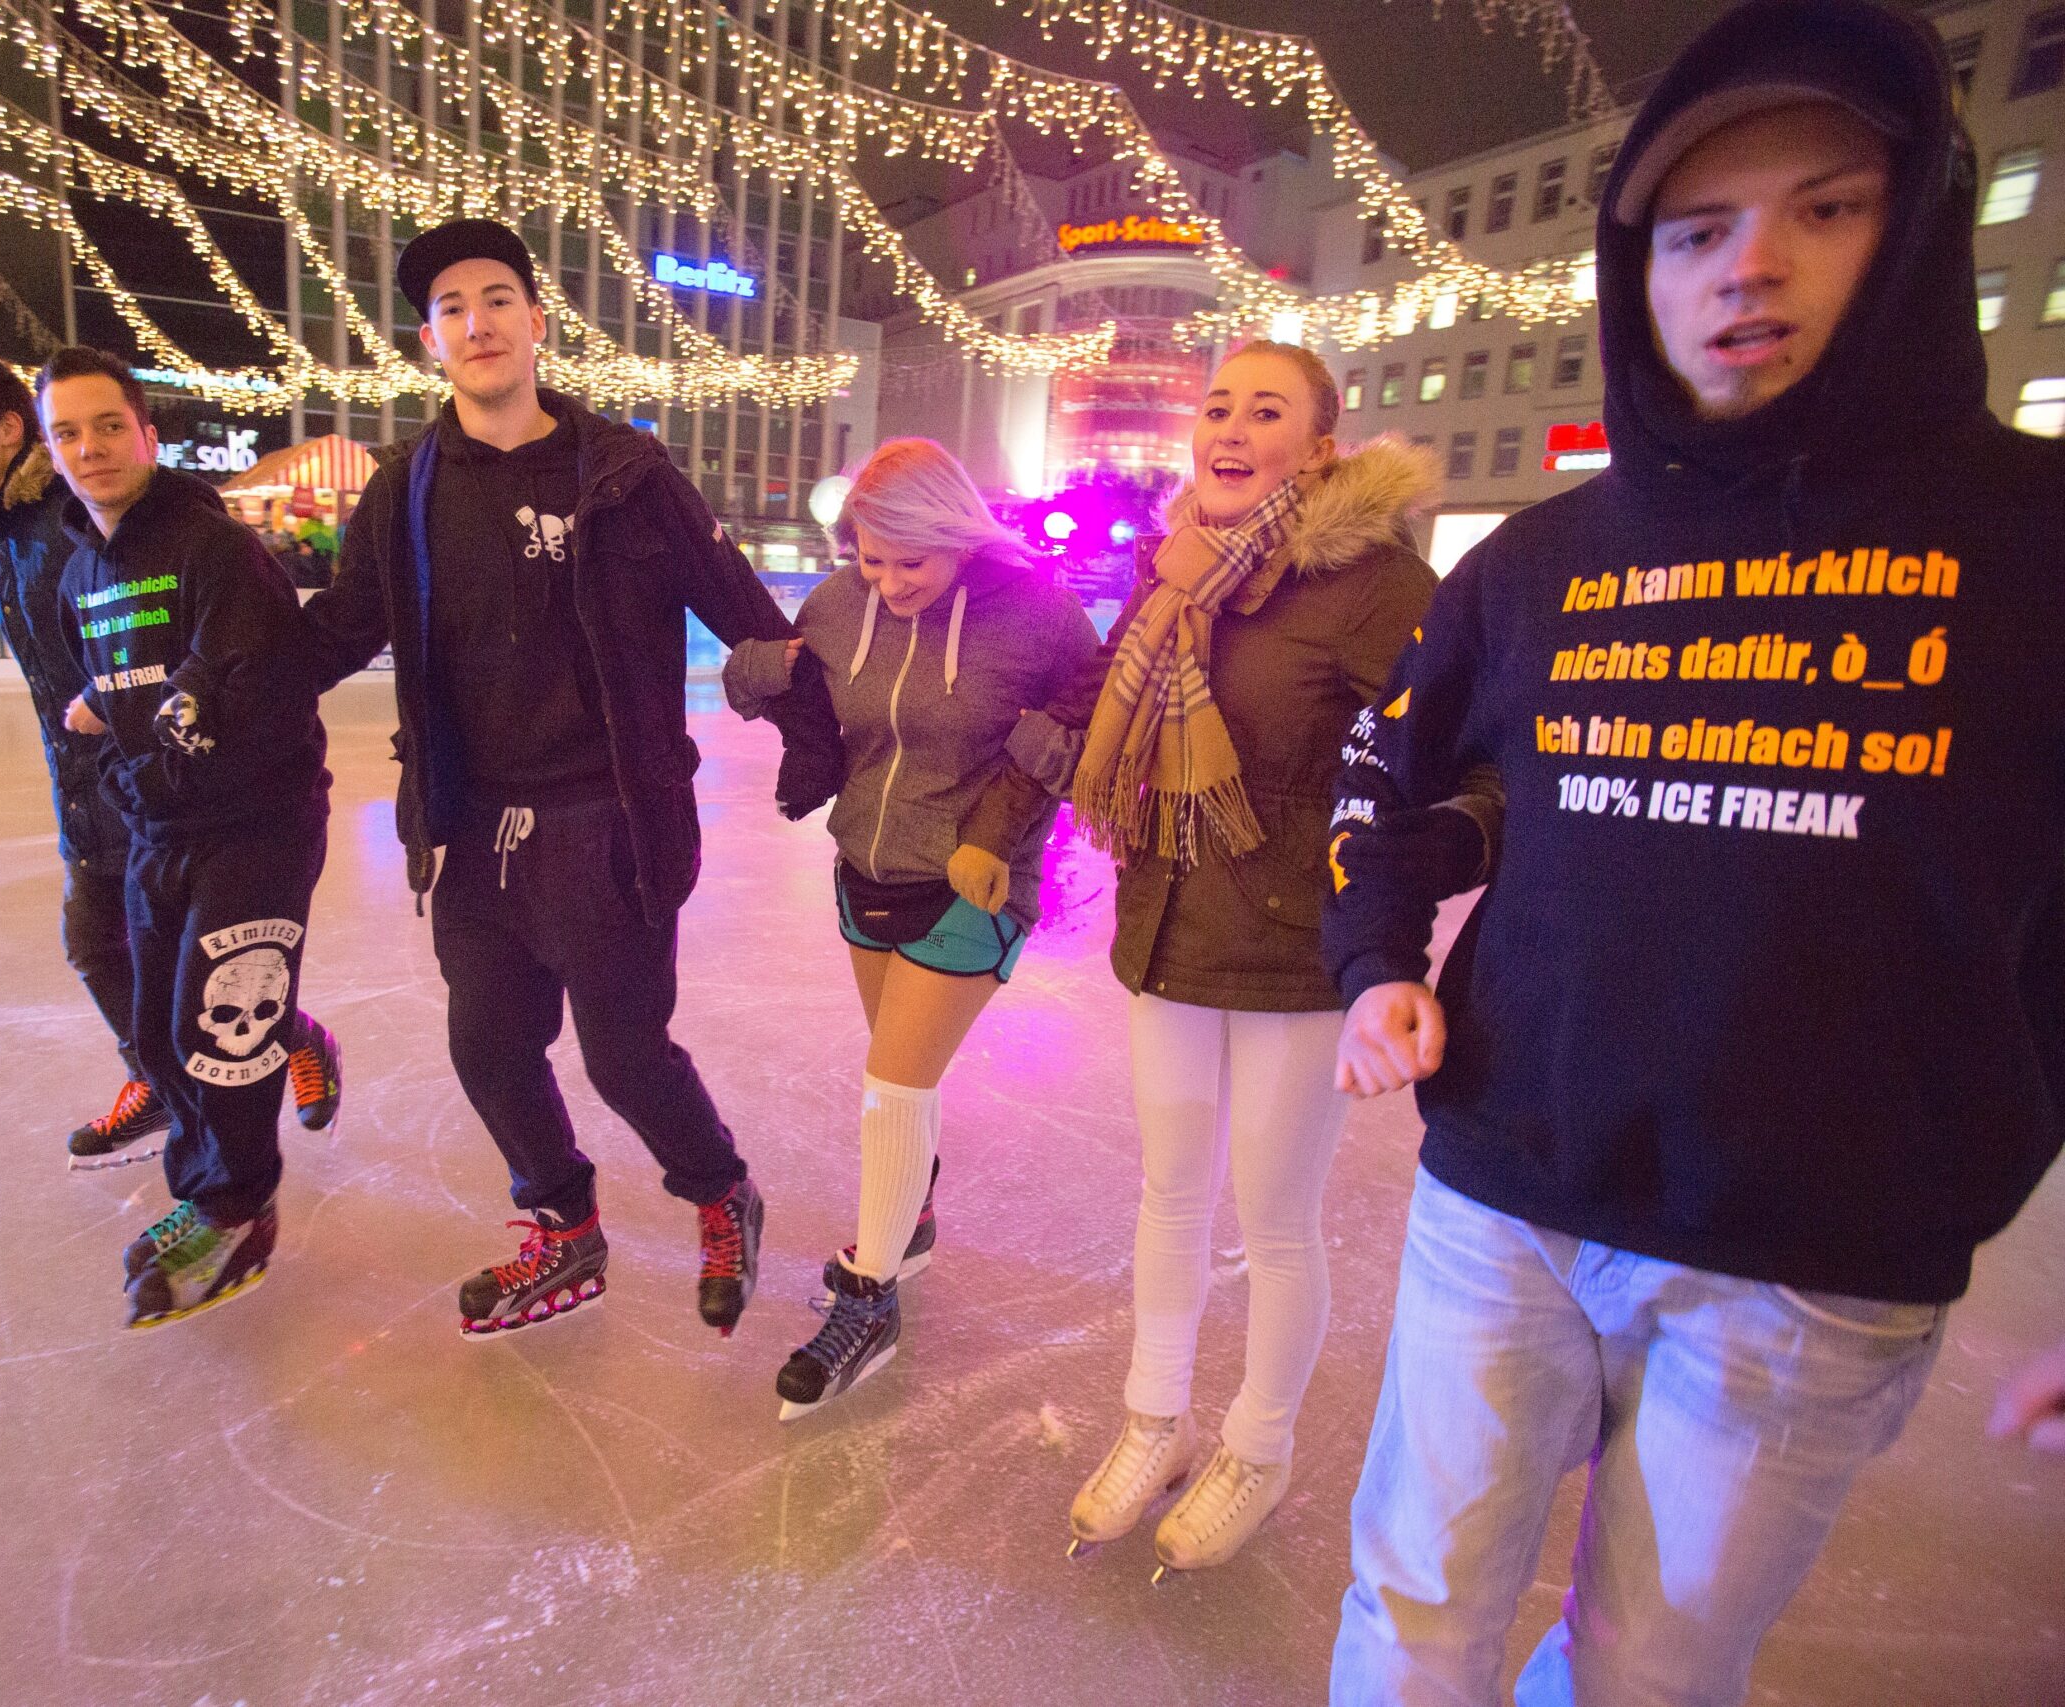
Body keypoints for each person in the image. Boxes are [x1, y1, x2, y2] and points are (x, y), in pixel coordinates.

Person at [1321, 3, 2065, 1699]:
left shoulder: (2033, 545)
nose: (1751, 267)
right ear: (1637, 266)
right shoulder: (1541, 559)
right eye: (1701, 229)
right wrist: (1375, 964)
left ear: (1920, 225)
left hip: (1814, 1257)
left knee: (1653, 1668)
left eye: (1824, 207)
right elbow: (1384, 770)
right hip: (1508, 1192)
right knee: (1416, 1604)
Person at [302, 217, 841, 1341]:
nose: (477, 321)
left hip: (608, 820)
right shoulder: (407, 486)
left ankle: (716, 1189)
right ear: (429, 342)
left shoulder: (624, 474)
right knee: (487, 1048)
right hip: (471, 824)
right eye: (451, 308)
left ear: (536, 323)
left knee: (624, 1054)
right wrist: (216, 688)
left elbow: (736, 607)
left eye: (496, 298)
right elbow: (340, 628)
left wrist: (815, 734)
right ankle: (563, 1226)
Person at [1004, 342, 1482, 1578]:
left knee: (1275, 1221)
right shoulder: (1175, 575)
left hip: (1293, 952)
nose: (1228, 425)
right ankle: (1151, 1423)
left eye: (1265, 410)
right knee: (1169, 1194)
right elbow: (1111, 711)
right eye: (1216, 404)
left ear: (1318, 447)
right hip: (1167, 933)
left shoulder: (1376, 586)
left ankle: (1255, 1447)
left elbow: (1466, 752)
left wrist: (1392, 875)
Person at [722, 438, 1099, 1420]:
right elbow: (792, 692)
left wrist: (1003, 832)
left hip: (972, 888)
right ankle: (912, 1215)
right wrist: (760, 669)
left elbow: (1085, 717)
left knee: (890, 1091)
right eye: (866, 558)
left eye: (909, 562)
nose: (885, 582)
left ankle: (868, 1292)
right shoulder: (840, 603)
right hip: (864, 869)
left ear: (956, 537)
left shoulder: (1033, 613)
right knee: (903, 1077)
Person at [38, 346, 342, 1330]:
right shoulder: (80, 569)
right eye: (68, 434)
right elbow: (115, 693)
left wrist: (141, 745)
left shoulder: (213, 548)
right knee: (167, 1028)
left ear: (147, 433)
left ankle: (236, 1211)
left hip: (255, 821)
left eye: (107, 427)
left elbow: (253, 689)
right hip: (158, 824)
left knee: (222, 1029)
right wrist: (126, 771)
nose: (90, 450)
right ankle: (201, 1186)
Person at [0, 347, 156, 1167]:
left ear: (9, 428)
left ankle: (286, 1038)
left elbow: (151, 641)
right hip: (79, 782)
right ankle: (155, 1081)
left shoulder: (72, 513)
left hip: (145, 777)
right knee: (95, 941)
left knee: (186, 959)